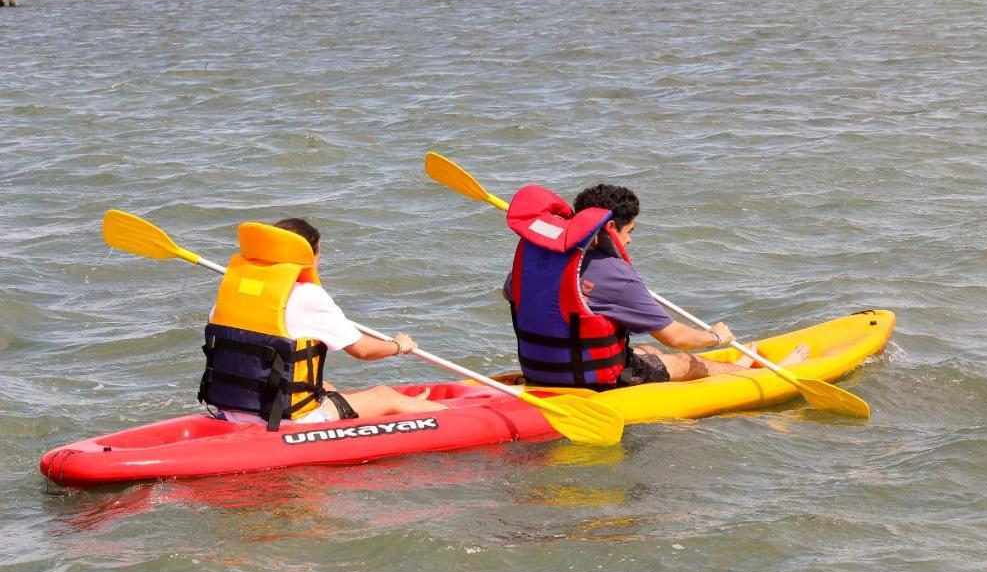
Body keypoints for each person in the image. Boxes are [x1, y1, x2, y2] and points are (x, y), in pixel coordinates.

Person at [504, 183, 807, 389]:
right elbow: (677, 338)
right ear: (610, 228)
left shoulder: (535, 262)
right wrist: (716, 336)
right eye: (629, 230)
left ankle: (737, 366)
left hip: (539, 372)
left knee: (647, 349)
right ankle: (769, 375)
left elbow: (514, 293)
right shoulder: (614, 274)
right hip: (592, 383)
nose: (631, 240)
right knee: (686, 362)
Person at [201, 218, 444, 429]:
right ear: (308, 256)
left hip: (233, 409)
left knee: (326, 386)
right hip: (282, 419)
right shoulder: (308, 296)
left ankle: (403, 410)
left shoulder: (231, 294)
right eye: (318, 253)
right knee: (386, 396)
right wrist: (398, 346)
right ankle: (446, 416)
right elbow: (364, 351)